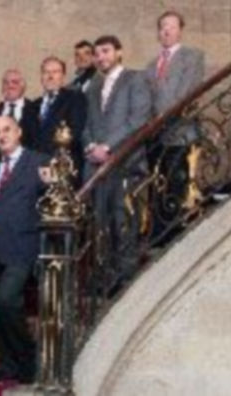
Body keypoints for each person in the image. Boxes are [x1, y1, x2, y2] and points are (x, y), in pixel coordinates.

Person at [82, 35, 151, 294]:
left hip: (126, 163)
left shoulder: (135, 78)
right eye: (97, 53)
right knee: (100, 225)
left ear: (119, 52)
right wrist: (90, 146)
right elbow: (86, 125)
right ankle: (105, 280)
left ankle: (127, 283)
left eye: (106, 51)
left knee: (124, 222)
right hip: (97, 168)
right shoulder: (93, 87)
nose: (101, 57)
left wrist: (107, 146)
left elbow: (138, 119)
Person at [0, 115, 50, 384]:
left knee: (6, 300)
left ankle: (28, 360)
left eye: (6, 130)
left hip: (24, 246)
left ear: (19, 132)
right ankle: (8, 363)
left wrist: (52, 181)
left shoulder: (38, 161)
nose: (2, 136)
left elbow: (57, 196)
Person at [144, 10, 206, 244]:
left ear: (180, 30)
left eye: (171, 26)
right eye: (162, 27)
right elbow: (146, 99)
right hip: (156, 137)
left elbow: (187, 92)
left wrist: (161, 117)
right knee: (157, 189)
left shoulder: (193, 56)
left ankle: (176, 237)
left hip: (180, 133)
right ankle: (159, 236)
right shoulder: (151, 66)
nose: (166, 30)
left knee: (177, 185)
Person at [32, 55, 88, 180]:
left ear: (63, 76)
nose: (50, 76)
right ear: (41, 77)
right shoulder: (34, 105)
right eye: (46, 72)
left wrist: (50, 161)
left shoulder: (75, 98)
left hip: (62, 168)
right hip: (35, 169)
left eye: (55, 72)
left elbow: (75, 132)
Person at [0, 69, 39, 170]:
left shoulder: (35, 110)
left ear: (23, 86)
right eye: (6, 82)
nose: (10, 86)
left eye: (15, 82)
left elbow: (38, 142)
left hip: (29, 169)